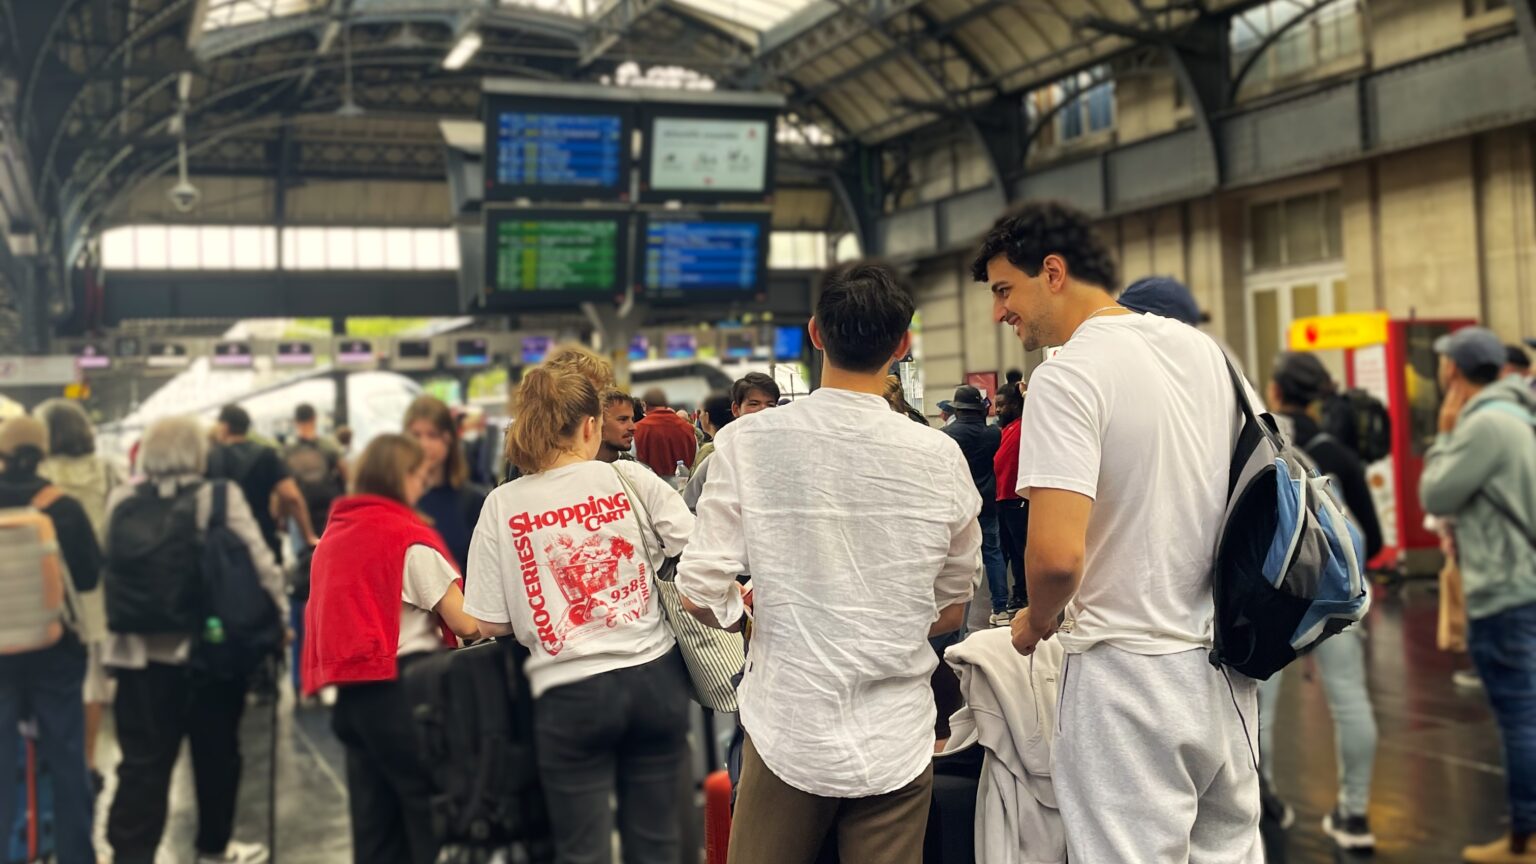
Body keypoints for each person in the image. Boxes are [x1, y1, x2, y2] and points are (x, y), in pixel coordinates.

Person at [975, 202, 1261, 862]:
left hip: (1125, 676)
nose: (999, 312)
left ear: (1052, 272)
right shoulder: (1205, 353)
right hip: (1225, 668)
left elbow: (1055, 558)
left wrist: (1034, 622)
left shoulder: (1067, 375)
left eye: (1004, 290)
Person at [677, 262, 979, 864]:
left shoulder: (747, 442)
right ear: (902, 344)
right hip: (896, 735)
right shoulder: (939, 456)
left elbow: (699, 590)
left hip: (789, 724)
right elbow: (952, 607)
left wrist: (749, 617)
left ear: (815, 332)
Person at [463, 363, 694, 864]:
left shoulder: (501, 505)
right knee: (658, 844)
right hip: (654, 677)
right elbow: (694, 548)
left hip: (567, 693)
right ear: (591, 425)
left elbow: (490, 622)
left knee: (581, 849)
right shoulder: (627, 478)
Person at [103, 415, 283, 864]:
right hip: (207, 653)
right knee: (216, 755)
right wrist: (281, 618)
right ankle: (213, 849)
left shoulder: (122, 498)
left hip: (136, 656)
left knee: (142, 764)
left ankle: (132, 853)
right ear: (199, 452)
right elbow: (260, 563)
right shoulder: (218, 496)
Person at [302, 433, 481, 864]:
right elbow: (467, 623)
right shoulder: (406, 538)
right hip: (406, 695)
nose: (423, 484)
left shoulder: (333, 537)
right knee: (427, 822)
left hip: (352, 698)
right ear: (399, 477)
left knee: (376, 830)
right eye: (418, 475)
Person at [1418, 326, 1536, 864]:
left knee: (1520, 717)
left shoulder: (1483, 423)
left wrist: (1445, 434)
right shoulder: (1518, 414)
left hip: (1504, 587)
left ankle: (1525, 838)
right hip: (1525, 579)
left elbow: (1435, 492)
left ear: (1454, 371)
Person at [1258, 352, 1384, 852]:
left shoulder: (1261, 446)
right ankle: (1354, 816)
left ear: (1276, 392)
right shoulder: (1340, 454)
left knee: (1259, 705)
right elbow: (1372, 537)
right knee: (1349, 699)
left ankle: (1264, 805)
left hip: (1274, 598)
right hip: (1336, 602)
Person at [0, 417, 101, 864]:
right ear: (43, 453)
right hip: (54, 648)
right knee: (67, 756)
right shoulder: (64, 507)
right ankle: (76, 853)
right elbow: (88, 576)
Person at [34, 399, 117, 788]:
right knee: (92, 680)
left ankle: (51, 761)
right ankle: (87, 761)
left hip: (46, 585)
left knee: (47, 675)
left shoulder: (39, 475)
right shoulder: (108, 471)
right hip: (93, 588)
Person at [282, 402, 347, 692]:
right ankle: (331, 662)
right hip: (331, 517)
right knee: (331, 582)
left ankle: (302, 675)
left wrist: (284, 520)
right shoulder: (328, 446)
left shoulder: (287, 451)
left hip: (301, 520)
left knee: (304, 580)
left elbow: (283, 493)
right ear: (314, 419)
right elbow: (346, 474)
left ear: (296, 421)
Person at [211, 404, 318, 557]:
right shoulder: (266, 455)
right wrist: (308, 535)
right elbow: (292, 497)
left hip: (224, 543)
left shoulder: (211, 458)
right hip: (262, 536)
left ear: (225, 426)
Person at [942, 384, 1007, 626]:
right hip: (987, 502)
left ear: (957, 410)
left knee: (956, 558)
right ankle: (1001, 608)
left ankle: (955, 613)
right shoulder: (993, 435)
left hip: (957, 503)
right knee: (993, 553)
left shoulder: (946, 436)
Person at [404, 396, 488, 574]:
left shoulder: (473, 501)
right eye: (416, 435)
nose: (423, 444)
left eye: (432, 435)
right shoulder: (396, 499)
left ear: (448, 438)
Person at [683, 374, 781, 510]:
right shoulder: (718, 458)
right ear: (736, 409)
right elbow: (689, 507)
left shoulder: (784, 454)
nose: (763, 410)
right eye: (754, 404)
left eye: (770, 405)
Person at [992, 383, 1028, 613]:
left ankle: (1022, 594)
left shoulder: (1026, 425)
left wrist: (1025, 393)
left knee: (1020, 551)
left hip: (1017, 498)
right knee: (1008, 550)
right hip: (1002, 498)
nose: (997, 410)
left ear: (1015, 405)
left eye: (1002, 405)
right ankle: (1015, 594)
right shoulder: (1006, 429)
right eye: (996, 405)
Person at [633, 388, 697, 476]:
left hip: (649, 483)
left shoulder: (637, 430)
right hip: (684, 482)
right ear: (666, 404)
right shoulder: (688, 429)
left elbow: (633, 463)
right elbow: (695, 459)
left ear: (644, 405)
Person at [597, 389, 640, 464]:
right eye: (623, 419)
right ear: (599, 423)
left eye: (632, 419)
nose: (633, 427)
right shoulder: (579, 467)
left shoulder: (634, 468)